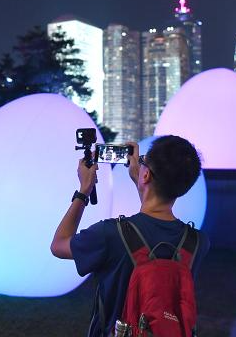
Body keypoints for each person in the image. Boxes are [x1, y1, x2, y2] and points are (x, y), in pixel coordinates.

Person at [50, 136, 210, 337]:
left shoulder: (110, 234)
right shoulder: (197, 243)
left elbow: (58, 245)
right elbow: (152, 222)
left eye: (143, 161)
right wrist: (142, 181)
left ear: (146, 175)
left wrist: (84, 190)